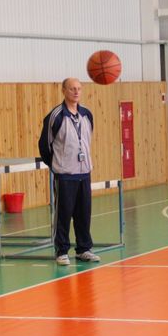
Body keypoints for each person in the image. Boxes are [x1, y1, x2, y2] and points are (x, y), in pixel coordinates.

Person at [38, 77, 101, 266]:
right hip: (65, 174)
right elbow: (44, 146)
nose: (76, 92)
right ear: (64, 90)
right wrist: (58, 165)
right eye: (72, 88)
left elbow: (87, 140)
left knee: (84, 213)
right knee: (63, 214)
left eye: (79, 88)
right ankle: (62, 251)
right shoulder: (56, 116)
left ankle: (84, 249)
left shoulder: (87, 115)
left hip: (84, 173)